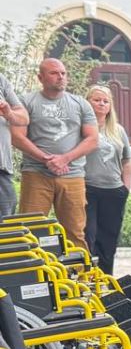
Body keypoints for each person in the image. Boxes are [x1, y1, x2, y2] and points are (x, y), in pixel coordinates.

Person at [12, 58, 98, 247]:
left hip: (73, 175)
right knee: (30, 230)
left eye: (63, 73)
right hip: (36, 174)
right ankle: (34, 267)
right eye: (54, 73)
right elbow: (17, 137)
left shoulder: (80, 103)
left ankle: (78, 266)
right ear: (40, 77)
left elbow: (92, 139)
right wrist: (46, 159)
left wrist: (64, 159)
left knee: (75, 232)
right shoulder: (26, 102)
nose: (60, 77)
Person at [82, 85, 131, 275]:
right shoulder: (80, 129)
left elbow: (127, 161)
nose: (101, 104)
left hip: (114, 191)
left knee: (109, 239)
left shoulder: (118, 130)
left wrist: (126, 188)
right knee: (88, 235)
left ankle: (105, 278)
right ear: (87, 102)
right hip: (87, 189)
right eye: (96, 100)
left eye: (106, 101)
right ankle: (88, 277)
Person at [0, 70, 30, 218]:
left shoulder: (1, 79)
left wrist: (9, 113)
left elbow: (24, 118)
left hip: (2, 171)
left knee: (5, 225)